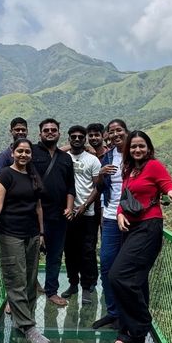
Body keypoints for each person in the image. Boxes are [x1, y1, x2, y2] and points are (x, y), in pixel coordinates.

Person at [110, 130, 172, 343]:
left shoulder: (153, 166)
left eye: (141, 146)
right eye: (133, 147)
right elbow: (124, 197)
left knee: (118, 275)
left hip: (148, 227)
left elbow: (167, 183)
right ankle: (132, 331)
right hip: (131, 227)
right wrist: (120, 214)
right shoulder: (130, 169)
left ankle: (141, 323)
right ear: (128, 150)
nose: (137, 150)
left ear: (148, 148)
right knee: (136, 280)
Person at [0, 138, 49, 343]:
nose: (23, 155)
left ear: (31, 155)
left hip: (32, 232)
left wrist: (42, 232)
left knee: (30, 278)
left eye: (27, 152)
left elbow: (38, 208)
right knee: (15, 278)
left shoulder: (34, 175)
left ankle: (25, 319)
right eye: (20, 151)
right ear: (13, 152)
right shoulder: (4, 175)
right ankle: (28, 326)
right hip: (10, 233)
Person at [32, 119, 76, 306]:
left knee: (55, 255)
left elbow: (70, 186)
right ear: (40, 133)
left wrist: (70, 207)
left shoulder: (65, 158)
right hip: (33, 214)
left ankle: (51, 291)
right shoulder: (32, 152)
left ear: (59, 133)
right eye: (46, 130)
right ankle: (25, 293)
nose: (50, 132)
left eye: (54, 130)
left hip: (59, 215)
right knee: (30, 255)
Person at [92, 119, 129, 330]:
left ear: (126, 131)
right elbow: (99, 186)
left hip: (133, 218)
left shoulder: (135, 153)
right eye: (112, 131)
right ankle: (113, 312)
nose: (115, 134)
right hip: (110, 216)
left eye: (119, 130)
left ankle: (128, 314)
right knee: (106, 264)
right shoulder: (106, 156)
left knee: (128, 269)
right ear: (108, 135)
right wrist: (101, 174)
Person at [61, 125, 101, 304]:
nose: (77, 139)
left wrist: (85, 205)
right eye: (73, 137)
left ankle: (87, 286)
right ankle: (73, 284)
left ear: (84, 139)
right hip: (67, 213)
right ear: (69, 139)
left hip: (87, 214)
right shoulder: (63, 158)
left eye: (80, 137)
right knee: (69, 251)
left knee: (87, 251)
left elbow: (97, 186)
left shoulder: (93, 160)